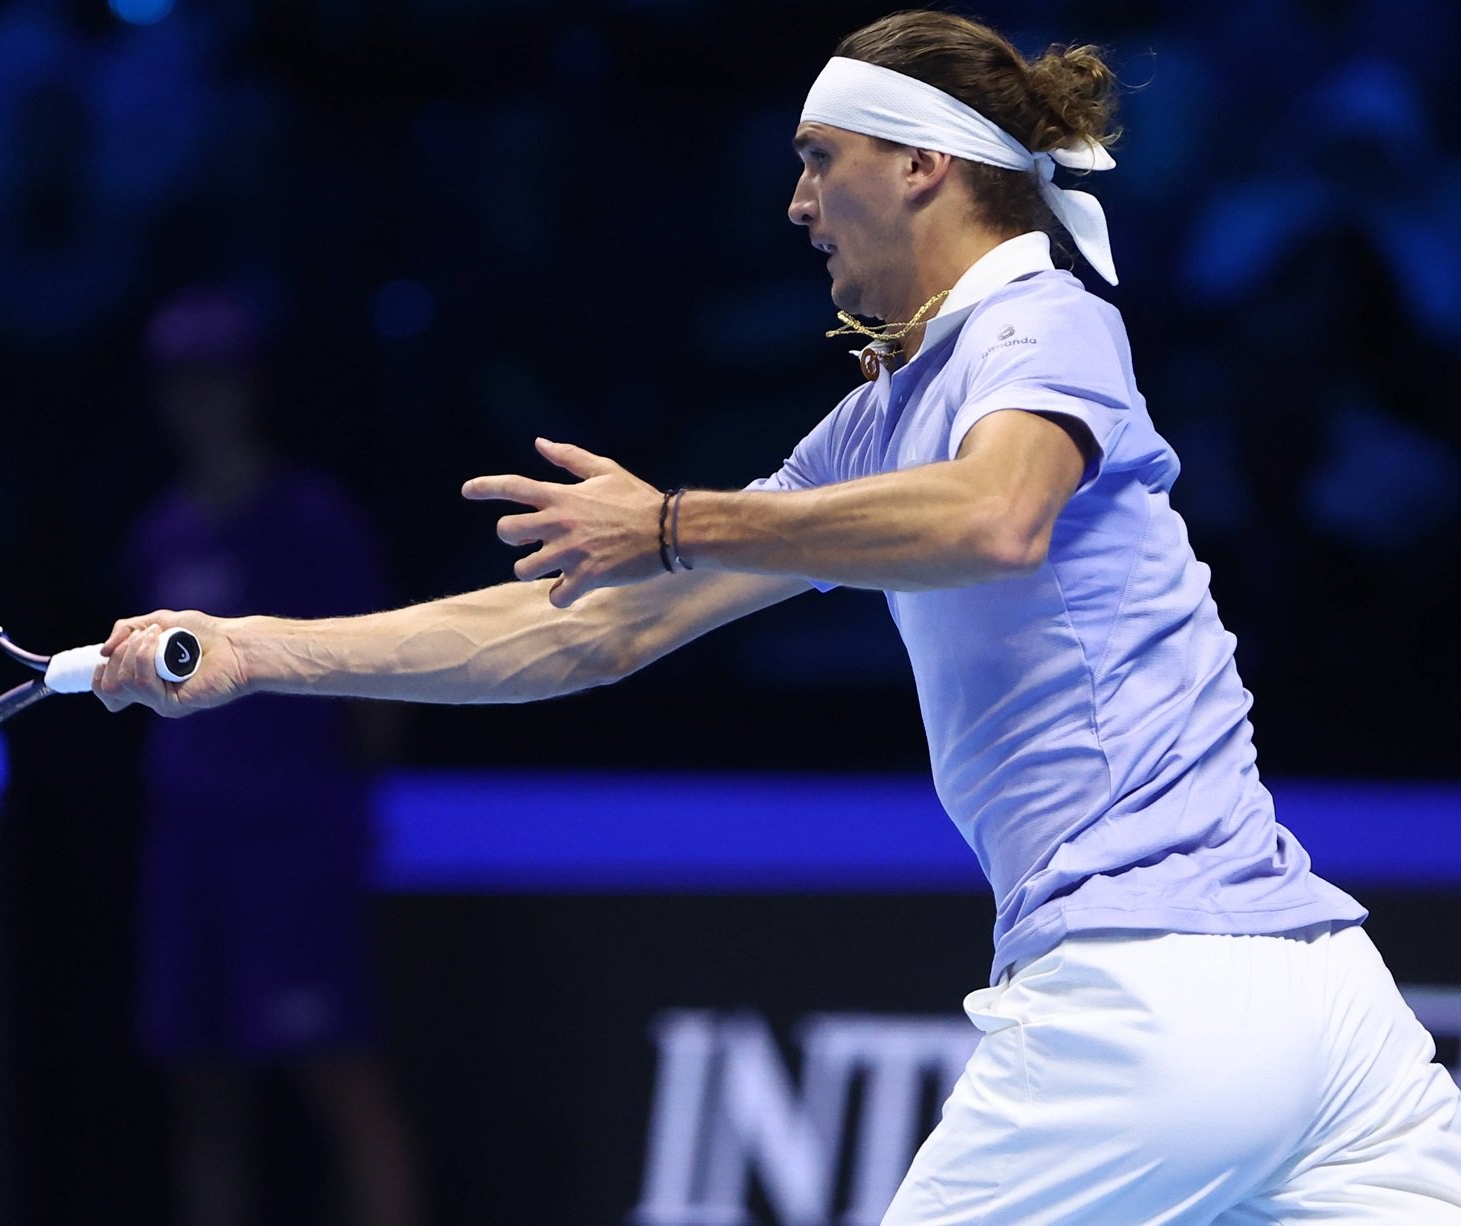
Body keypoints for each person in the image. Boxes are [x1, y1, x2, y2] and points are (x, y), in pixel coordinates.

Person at [93, 12, 1461, 1224]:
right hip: (1321, 1006)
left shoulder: (1038, 319)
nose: (798, 202)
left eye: (821, 159)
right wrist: (259, 650)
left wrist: (684, 515)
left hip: (1155, 995)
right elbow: (590, 630)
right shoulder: (876, 424)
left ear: (922, 163)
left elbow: (998, 517)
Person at [127, 287, 423, 1226]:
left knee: (343, 1085)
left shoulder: (313, 520)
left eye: (215, 379)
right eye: (180, 383)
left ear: (248, 389)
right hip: (191, 850)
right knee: (202, 1105)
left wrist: (338, 817)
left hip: (293, 848)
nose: (198, 402)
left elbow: (375, 681)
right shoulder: (158, 536)